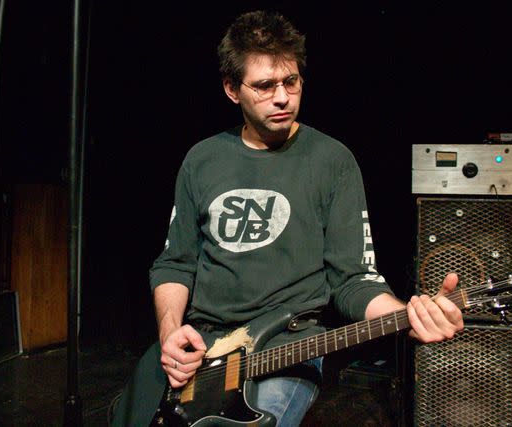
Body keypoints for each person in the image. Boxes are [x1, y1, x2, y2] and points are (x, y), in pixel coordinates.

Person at [113, 10, 463, 427]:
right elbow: (176, 263)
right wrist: (170, 332)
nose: (282, 97)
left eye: (291, 82)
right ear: (231, 89)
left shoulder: (333, 161)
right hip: (201, 349)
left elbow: (353, 280)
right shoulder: (201, 160)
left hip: (286, 348)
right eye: (264, 86)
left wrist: (408, 313)